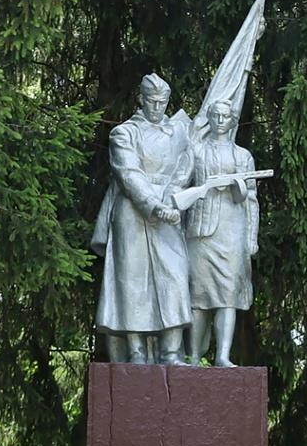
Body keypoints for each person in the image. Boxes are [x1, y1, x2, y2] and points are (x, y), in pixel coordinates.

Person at [93, 72, 194, 364]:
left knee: (174, 276)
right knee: (132, 279)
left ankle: (171, 351)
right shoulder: (123, 133)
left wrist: (172, 197)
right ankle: (136, 350)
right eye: (151, 101)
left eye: (163, 102)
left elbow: (186, 166)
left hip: (169, 210)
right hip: (132, 213)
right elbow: (128, 172)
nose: (157, 107)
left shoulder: (179, 132)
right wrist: (152, 203)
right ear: (141, 99)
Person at [186, 98, 260, 367]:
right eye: (215, 116)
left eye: (224, 117)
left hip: (232, 232)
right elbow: (181, 184)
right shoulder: (196, 150)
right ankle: (193, 356)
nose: (219, 121)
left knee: (227, 295)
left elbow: (250, 199)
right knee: (198, 296)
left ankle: (222, 356)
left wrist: (251, 237)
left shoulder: (243, 156)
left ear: (231, 121)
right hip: (201, 231)